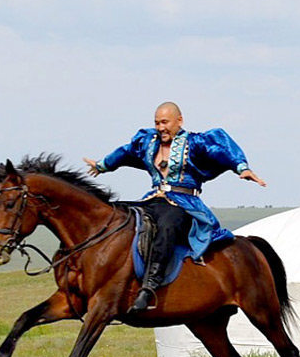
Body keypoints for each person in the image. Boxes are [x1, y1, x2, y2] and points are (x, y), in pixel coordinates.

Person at [84, 102, 266, 313]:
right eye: (157, 123)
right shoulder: (148, 141)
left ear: (179, 121)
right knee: (120, 215)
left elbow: (221, 150)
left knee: (167, 225)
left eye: (165, 122)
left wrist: (241, 167)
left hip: (184, 202)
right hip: (153, 198)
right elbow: (126, 152)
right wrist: (102, 165)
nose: (161, 127)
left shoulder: (196, 143)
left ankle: (150, 286)